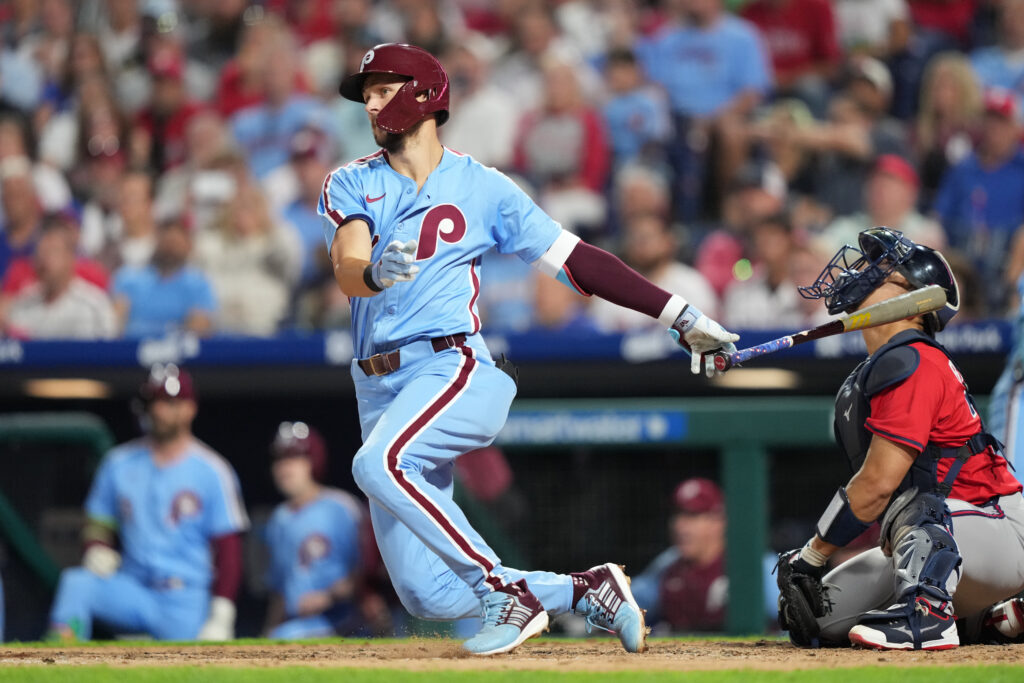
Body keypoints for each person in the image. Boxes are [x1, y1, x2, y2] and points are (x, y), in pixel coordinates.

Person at [320, 42, 739, 656]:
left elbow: (577, 263)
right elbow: (348, 265)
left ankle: (504, 596)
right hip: (376, 386)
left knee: (376, 465)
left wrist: (677, 312)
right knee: (426, 595)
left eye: (383, 89)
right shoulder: (352, 179)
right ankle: (584, 591)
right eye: (369, 95)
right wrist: (375, 273)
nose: (372, 105)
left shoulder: (484, 187)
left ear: (424, 94)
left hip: (451, 367)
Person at [776, 227, 1024, 651]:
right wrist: (811, 565)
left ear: (916, 298)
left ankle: (929, 620)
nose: (864, 273)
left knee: (914, 508)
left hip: (999, 525)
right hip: (948, 538)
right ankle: (990, 618)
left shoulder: (915, 359)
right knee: (818, 615)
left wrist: (812, 554)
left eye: (883, 269)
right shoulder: (882, 366)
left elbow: (877, 485)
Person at [48, 364, 248, 641]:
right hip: (133, 588)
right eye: (153, 402)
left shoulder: (213, 470)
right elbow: (98, 523)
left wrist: (221, 614)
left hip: (185, 598)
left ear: (190, 408)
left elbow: (229, 549)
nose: (159, 411)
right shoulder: (118, 463)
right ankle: (59, 669)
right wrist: (96, 548)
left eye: (169, 403)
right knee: (77, 584)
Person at [263, 421, 368, 639]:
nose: (285, 467)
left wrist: (328, 597)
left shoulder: (342, 508)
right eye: (280, 459)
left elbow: (367, 569)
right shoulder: (278, 520)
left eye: (294, 457)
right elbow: (280, 590)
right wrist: (268, 631)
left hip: (344, 623)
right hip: (294, 626)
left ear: (313, 461)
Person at [631, 478, 729, 633]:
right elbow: (627, 603)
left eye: (692, 516)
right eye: (677, 515)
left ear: (718, 520)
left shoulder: (753, 563)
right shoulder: (667, 564)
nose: (680, 526)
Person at [2, 214, 116, 340]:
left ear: (70, 258)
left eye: (53, 251)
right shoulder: (22, 305)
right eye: (41, 252)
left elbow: (106, 354)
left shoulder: (93, 306)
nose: (44, 259)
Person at [112, 216, 217, 339]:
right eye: (166, 243)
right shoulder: (129, 278)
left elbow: (199, 327)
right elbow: (115, 323)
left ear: (188, 246)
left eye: (175, 244)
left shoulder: (199, 284)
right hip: (130, 351)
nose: (170, 250)